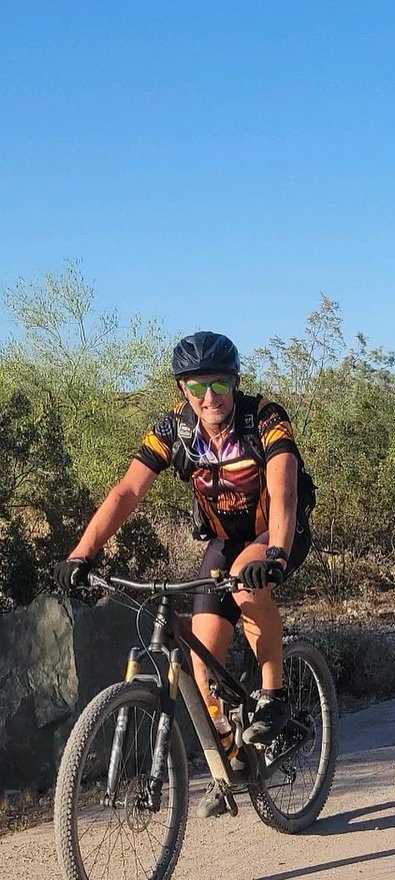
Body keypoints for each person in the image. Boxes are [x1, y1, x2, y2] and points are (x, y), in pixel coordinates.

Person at [54, 331, 310, 802]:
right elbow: (127, 492)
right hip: (221, 541)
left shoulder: (265, 418)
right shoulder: (174, 430)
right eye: (196, 387)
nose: (208, 397)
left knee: (247, 587)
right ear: (182, 390)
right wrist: (81, 553)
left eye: (218, 385)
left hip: (276, 533)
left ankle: (273, 697)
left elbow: (286, 489)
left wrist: (274, 553)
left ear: (235, 382)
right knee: (200, 655)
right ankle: (232, 760)